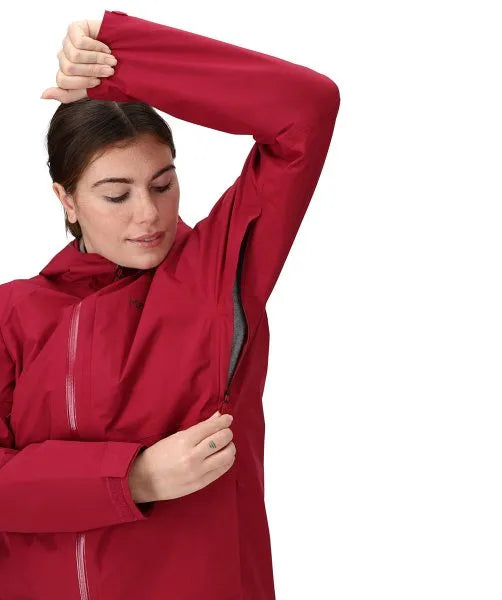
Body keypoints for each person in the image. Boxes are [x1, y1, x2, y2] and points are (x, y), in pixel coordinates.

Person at [0, 9, 339, 600]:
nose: (149, 215)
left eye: (163, 184)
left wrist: (120, 60)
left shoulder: (217, 275)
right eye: (117, 195)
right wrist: (134, 478)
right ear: (67, 199)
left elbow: (306, 108)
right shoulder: (14, 312)